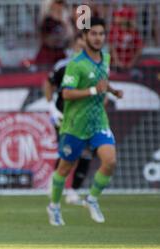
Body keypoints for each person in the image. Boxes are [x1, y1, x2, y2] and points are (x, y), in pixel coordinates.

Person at [46, 17, 123, 226]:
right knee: (64, 167)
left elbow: (102, 83)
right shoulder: (75, 64)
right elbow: (67, 94)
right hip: (74, 124)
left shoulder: (105, 59)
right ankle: (53, 206)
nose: (98, 38)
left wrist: (113, 90)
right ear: (85, 36)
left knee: (110, 161)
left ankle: (92, 199)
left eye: (101, 34)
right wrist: (92, 90)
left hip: (98, 121)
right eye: (94, 34)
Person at [44, 33, 92, 207]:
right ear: (73, 46)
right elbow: (49, 84)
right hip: (63, 115)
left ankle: (74, 192)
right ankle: (55, 183)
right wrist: (51, 108)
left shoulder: (95, 67)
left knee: (86, 153)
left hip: (86, 116)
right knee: (68, 152)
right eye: (79, 46)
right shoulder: (63, 65)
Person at [34, 0, 74, 67]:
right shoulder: (47, 21)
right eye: (58, 3)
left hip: (60, 54)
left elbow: (71, 37)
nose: (60, 6)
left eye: (62, 3)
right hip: (48, 56)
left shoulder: (65, 22)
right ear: (52, 5)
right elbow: (46, 39)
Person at [108, 6, 143, 70]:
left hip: (131, 65)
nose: (116, 17)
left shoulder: (134, 31)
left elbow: (139, 49)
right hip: (114, 65)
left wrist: (131, 63)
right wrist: (117, 62)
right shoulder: (114, 30)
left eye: (120, 16)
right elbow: (111, 47)